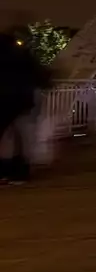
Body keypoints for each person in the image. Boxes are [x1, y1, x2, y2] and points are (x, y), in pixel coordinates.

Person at [0, 39, 51, 184]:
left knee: (8, 139)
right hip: (22, 104)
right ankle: (19, 172)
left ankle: (6, 171)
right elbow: (43, 79)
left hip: (8, 105)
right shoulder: (25, 61)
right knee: (23, 138)